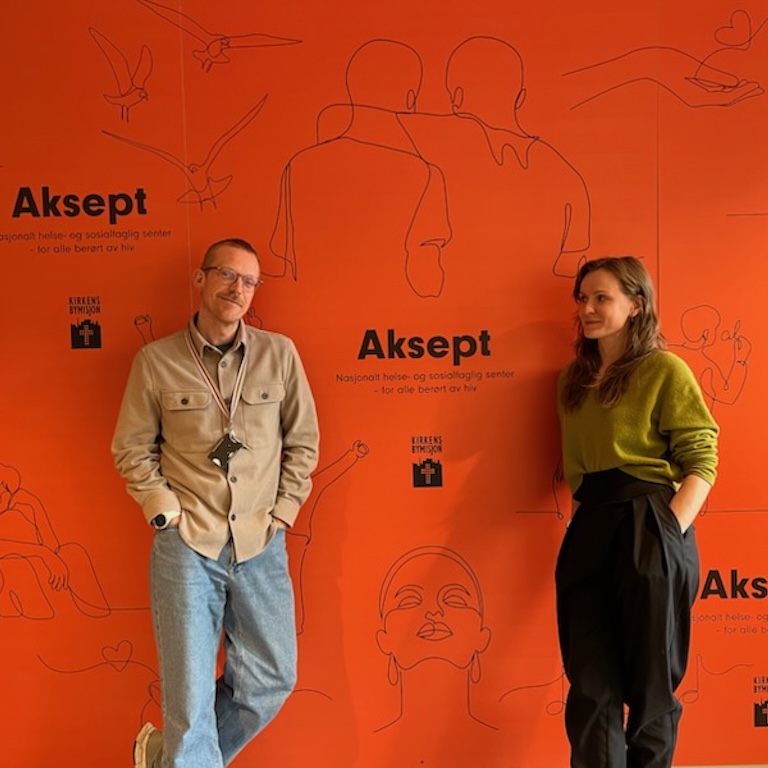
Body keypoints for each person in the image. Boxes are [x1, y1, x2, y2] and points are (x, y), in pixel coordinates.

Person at [112, 237, 319, 768]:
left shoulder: (279, 354)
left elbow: (304, 442)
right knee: (189, 698)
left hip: (260, 543)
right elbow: (132, 448)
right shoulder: (156, 361)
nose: (237, 288)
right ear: (201, 279)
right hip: (187, 547)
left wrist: (283, 511)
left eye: (249, 281)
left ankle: (167, 760)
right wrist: (164, 512)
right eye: (227, 274)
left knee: (273, 677)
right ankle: (178, 757)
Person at [554, 256, 718, 768]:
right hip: (590, 524)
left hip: (650, 521)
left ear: (636, 305)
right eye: (583, 298)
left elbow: (702, 457)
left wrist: (668, 530)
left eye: (601, 297)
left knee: (651, 685)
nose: (587, 308)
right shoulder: (571, 382)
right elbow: (577, 472)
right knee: (590, 685)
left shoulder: (664, 369)